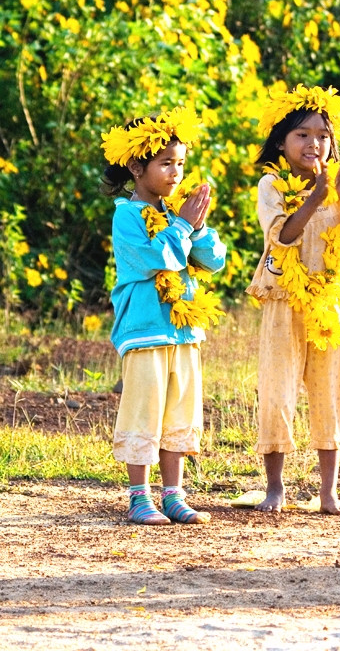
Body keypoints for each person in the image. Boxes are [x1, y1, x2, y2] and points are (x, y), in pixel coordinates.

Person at [247, 84, 340, 515]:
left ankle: (329, 492)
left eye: (322, 135)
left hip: (327, 304)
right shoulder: (272, 184)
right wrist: (316, 198)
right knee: (277, 389)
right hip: (283, 300)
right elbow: (281, 237)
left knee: (331, 390)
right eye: (302, 135)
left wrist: (339, 194)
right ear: (281, 143)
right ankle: (275, 488)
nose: (313, 143)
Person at [101, 107, 227, 525]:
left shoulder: (179, 216)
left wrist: (199, 226)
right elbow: (158, 259)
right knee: (144, 409)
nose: (176, 172)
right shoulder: (127, 216)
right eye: (166, 163)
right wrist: (184, 228)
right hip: (145, 331)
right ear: (138, 167)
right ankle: (140, 496)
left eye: (181, 163)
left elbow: (213, 262)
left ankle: (173, 494)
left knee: (180, 413)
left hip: (183, 330)